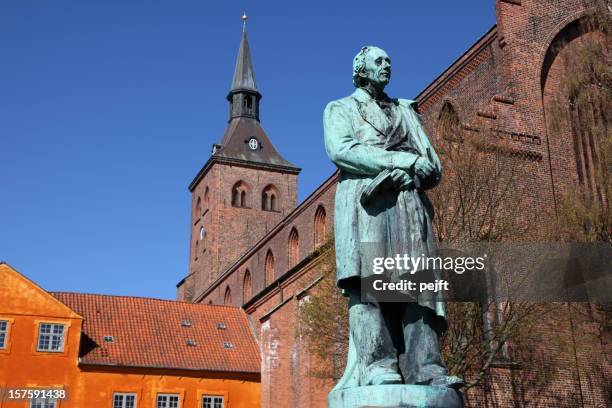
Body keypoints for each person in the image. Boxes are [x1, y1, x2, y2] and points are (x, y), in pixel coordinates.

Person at [323, 46, 462, 389]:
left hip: (408, 206)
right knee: (370, 285)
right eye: (379, 61)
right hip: (366, 206)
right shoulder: (340, 108)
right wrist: (403, 163)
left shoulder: (405, 111)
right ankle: (377, 364)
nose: (387, 66)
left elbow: (432, 164)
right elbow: (342, 151)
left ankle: (427, 368)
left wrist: (415, 174)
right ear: (361, 69)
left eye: (389, 62)